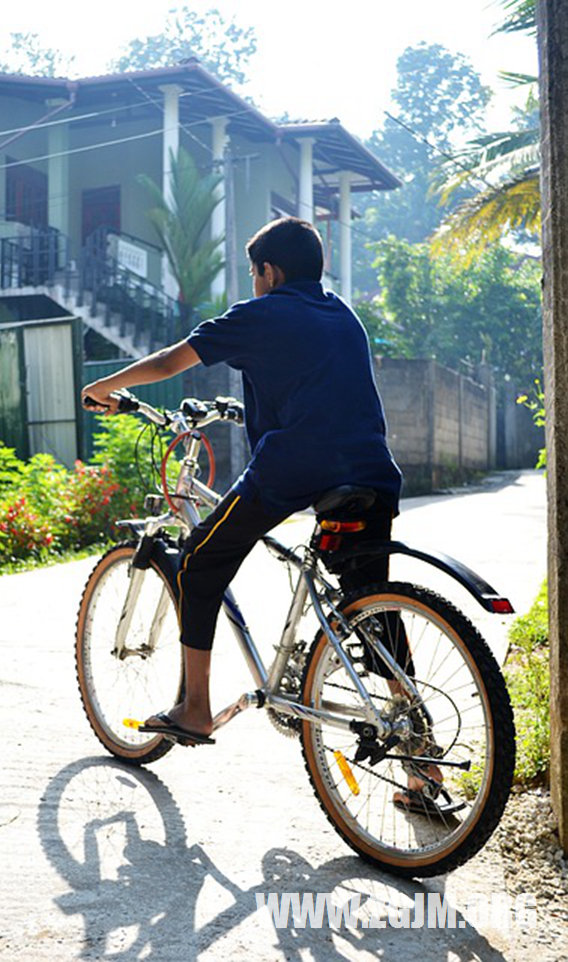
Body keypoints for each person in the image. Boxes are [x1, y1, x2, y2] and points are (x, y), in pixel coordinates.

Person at [82, 216, 441, 813]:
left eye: (254, 273)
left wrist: (105, 385)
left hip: (296, 468)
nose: (253, 283)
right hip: (372, 471)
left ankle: (195, 709)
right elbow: (313, 383)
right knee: (372, 608)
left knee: (197, 566)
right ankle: (423, 769)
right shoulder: (343, 315)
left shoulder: (261, 315)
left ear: (268, 272)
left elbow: (174, 361)